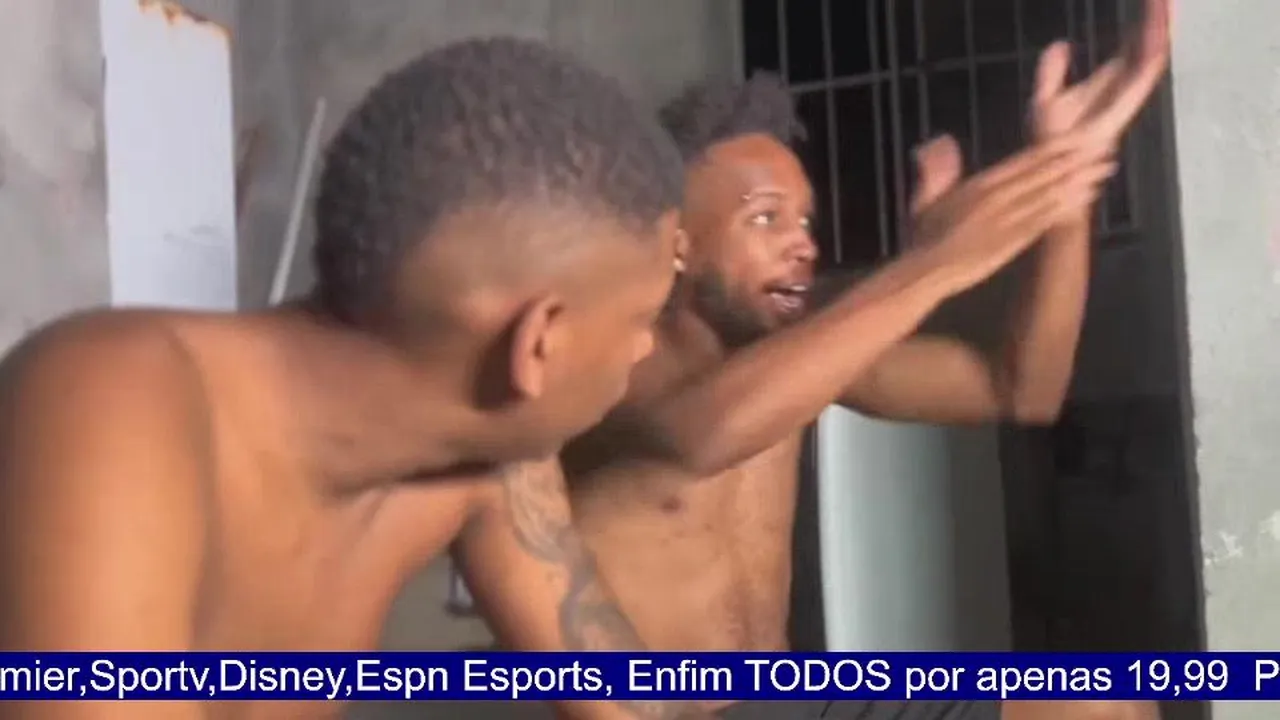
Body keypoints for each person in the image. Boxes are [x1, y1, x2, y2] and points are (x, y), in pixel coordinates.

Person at [0, 37, 702, 720]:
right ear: (539, 343)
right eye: (643, 317)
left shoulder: (491, 462)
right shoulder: (110, 400)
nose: (646, 348)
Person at [559, 1, 1171, 719]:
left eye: (805, 220)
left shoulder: (798, 349)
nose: (802, 244)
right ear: (676, 245)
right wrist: (935, 264)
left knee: (1106, 707)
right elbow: (704, 435)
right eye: (764, 218)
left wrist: (1068, 197)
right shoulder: (616, 357)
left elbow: (1022, 389)